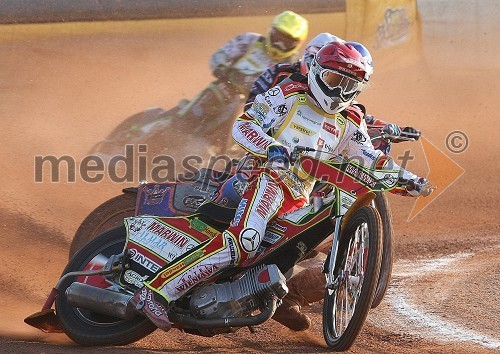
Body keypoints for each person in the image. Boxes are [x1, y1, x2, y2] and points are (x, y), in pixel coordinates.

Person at [130, 41, 434, 332]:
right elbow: (244, 125)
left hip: (300, 198)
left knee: (303, 248)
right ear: (316, 70)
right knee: (245, 241)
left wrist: (410, 180)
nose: (339, 91)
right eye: (333, 79)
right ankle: (155, 292)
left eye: (349, 86)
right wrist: (272, 147)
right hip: (265, 178)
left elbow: (370, 158)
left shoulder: (351, 120)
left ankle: (266, 296)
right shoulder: (289, 94)